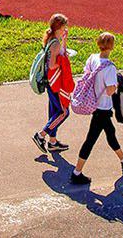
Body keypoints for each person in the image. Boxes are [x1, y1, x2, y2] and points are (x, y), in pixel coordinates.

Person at [70, 33, 123, 186]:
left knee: (111, 133)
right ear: (112, 46)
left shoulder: (93, 58)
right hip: (102, 107)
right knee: (90, 140)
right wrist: (116, 85)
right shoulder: (109, 67)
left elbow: (87, 72)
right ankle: (77, 172)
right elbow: (109, 91)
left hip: (96, 105)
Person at [32, 13, 74, 154]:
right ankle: (41, 135)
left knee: (54, 111)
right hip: (56, 83)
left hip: (50, 83)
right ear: (59, 27)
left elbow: (61, 52)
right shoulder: (55, 43)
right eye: (64, 27)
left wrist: (64, 40)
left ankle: (53, 142)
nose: (65, 29)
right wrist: (62, 65)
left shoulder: (52, 39)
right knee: (63, 112)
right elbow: (52, 65)